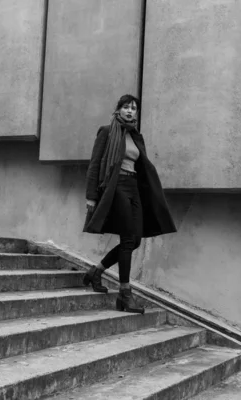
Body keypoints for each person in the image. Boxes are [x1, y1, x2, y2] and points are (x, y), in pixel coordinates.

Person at [82, 94, 177, 314]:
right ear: (118, 110)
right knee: (127, 239)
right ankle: (125, 294)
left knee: (134, 240)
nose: (130, 111)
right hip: (116, 187)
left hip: (134, 187)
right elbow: (95, 165)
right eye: (126, 107)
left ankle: (96, 271)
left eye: (134, 108)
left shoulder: (134, 136)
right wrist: (91, 196)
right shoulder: (107, 132)